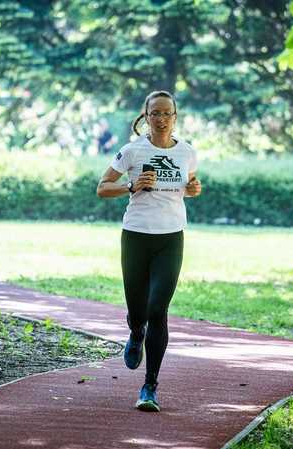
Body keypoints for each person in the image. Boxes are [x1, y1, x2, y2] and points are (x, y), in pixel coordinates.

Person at [96, 90, 203, 412]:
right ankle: (136, 332)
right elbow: (102, 188)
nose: (161, 119)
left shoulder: (187, 152)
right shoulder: (132, 150)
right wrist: (131, 185)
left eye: (167, 113)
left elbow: (189, 185)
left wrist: (194, 189)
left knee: (158, 310)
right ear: (146, 117)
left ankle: (149, 386)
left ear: (175, 117)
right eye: (155, 113)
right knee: (138, 313)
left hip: (170, 238)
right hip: (136, 237)